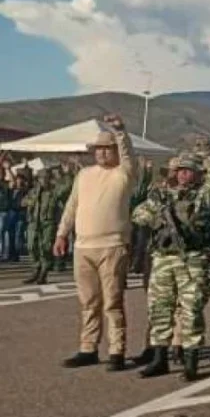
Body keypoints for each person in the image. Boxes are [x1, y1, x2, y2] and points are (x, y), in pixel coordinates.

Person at [132, 138, 210, 380]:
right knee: (159, 308)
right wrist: (158, 219)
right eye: (180, 171)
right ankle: (159, 358)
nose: (184, 175)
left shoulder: (203, 196)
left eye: (189, 171)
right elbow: (138, 213)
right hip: (163, 258)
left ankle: (191, 361)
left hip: (191, 258)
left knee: (191, 310)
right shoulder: (162, 195)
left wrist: (207, 152)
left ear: (196, 174)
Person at [53, 114, 139, 372]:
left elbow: (128, 155)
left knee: (112, 301)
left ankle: (116, 351)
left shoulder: (124, 174)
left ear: (115, 151)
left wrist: (120, 131)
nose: (102, 153)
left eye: (107, 148)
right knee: (88, 301)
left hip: (112, 246)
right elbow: (72, 206)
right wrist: (61, 234)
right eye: (98, 149)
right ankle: (88, 347)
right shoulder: (85, 175)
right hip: (83, 247)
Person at [23, 168, 72, 285]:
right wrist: (32, 200)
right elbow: (23, 201)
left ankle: (43, 273)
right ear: (38, 180)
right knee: (31, 246)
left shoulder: (54, 192)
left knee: (45, 247)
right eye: (41, 178)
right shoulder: (33, 192)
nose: (43, 180)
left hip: (48, 223)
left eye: (46, 178)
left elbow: (67, 188)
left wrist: (67, 173)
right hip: (34, 223)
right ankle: (36, 268)